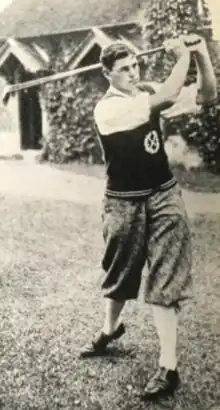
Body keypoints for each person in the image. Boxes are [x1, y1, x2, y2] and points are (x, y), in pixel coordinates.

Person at [79, 35, 217, 401]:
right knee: (121, 273)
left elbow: (206, 96)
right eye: (123, 69)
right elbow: (169, 95)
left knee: (165, 279)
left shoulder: (147, 90)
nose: (132, 72)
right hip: (124, 202)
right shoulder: (106, 109)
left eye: (135, 65)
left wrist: (201, 54)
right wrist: (181, 55)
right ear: (106, 73)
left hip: (164, 194)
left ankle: (167, 367)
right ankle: (111, 329)